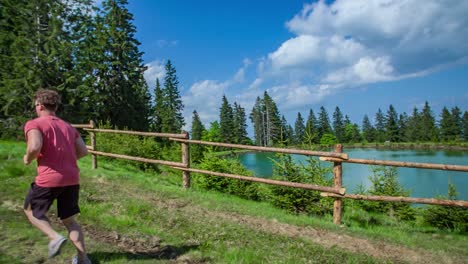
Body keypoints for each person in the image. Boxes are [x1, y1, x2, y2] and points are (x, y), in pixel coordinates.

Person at [23, 88, 91, 264]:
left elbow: (34, 146)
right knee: (69, 220)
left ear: (39, 104)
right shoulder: (68, 126)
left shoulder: (35, 124)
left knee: (30, 210)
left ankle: (54, 237)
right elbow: (83, 151)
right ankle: (83, 259)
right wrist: (65, 159)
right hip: (72, 178)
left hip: (50, 178)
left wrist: (28, 158)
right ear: (55, 106)